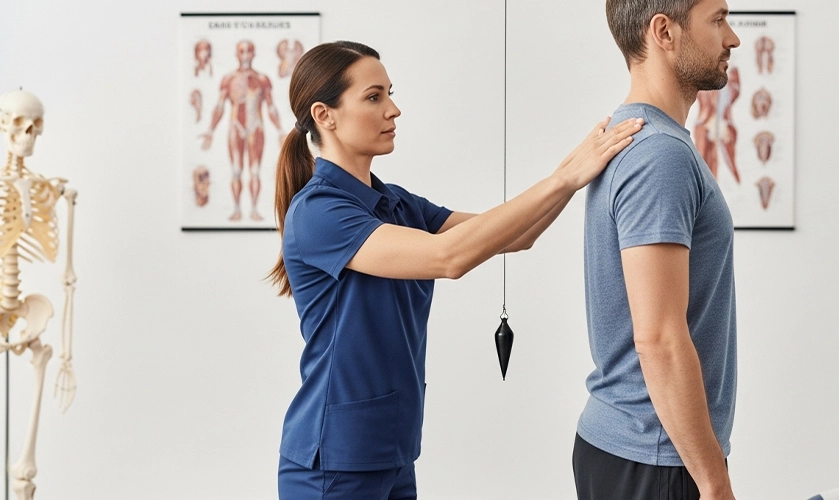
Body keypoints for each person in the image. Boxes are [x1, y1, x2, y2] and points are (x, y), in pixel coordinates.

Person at [267, 41, 643, 500]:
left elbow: (514, 236)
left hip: (393, 452)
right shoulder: (320, 212)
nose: (394, 109)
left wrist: (575, 167)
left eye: (390, 93)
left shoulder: (397, 203)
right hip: (334, 461)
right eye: (374, 97)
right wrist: (564, 178)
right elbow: (449, 257)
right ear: (325, 114)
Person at [574, 1, 741, 499]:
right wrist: (714, 484)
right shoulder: (659, 155)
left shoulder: (649, 141)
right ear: (664, 33)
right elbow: (660, 338)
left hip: (642, 450)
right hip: (653, 455)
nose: (732, 38)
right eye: (717, 20)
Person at [200, 40, 282, 222]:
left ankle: (253, 209)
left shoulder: (262, 79)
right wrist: (210, 131)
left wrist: (281, 130)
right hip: (235, 126)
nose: (245, 56)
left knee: (254, 171)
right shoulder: (229, 79)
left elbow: (271, 107)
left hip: (256, 127)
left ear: (254, 54)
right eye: (242, 52)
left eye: (249, 52)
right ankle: (237, 209)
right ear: (237, 54)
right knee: (236, 170)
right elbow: (220, 106)